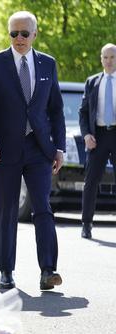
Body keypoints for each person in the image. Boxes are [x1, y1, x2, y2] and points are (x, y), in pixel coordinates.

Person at [0, 11, 65, 290]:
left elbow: (56, 110)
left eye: (24, 33)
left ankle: (48, 270)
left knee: (42, 207)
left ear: (35, 34)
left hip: (39, 148)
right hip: (4, 149)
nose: (19, 38)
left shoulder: (47, 64)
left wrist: (59, 146)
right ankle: (5, 270)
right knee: (6, 210)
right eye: (14, 33)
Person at [79, 43, 116, 239]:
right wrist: (86, 135)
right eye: (106, 57)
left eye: (112, 57)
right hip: (98, 136)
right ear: (101, 59)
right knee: (90, 181)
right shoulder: (92, 82)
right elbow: (83, 112)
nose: (109, 61)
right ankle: (86, 224)